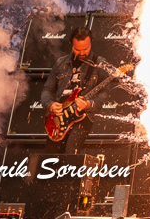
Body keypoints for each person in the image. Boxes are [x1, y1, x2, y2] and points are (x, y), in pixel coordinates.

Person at [40, 25, 113, 155]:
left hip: (82, 116)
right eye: (77, 49)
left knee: (71, 152)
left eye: (85, 49)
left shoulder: (99, 63)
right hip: (58, 117)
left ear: (91, 43)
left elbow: (106, 92)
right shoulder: (60, 63)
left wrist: (90, 104)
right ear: (71, 45)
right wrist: (50, 105)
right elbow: (47, 90)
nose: (82, 53)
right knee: (50, 156)